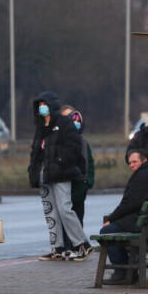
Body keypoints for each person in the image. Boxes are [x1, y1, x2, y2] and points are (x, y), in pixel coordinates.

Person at [28, 91, 88, 261]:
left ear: (52, 105)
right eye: (39, 106)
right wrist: (32, 169)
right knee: (50, 212)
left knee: (64, 208)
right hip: (44, 174)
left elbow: (74, 145)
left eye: (44, 105)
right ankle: (57, 247)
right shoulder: (40, 127)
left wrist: (61, 160)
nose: (42, 108)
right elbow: (35, 150)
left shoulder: (63, 123)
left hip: (61, 173)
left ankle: (81, 244)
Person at [99, 150, 148, 284]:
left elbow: (129, 203)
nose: (131, 165)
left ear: (144, 161)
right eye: (129, 163)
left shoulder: (143, 175)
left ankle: (122, 272)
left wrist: (111, 220)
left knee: (106, 231)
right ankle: (128, 272)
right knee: (114, 228)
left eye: (134, 162)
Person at [60, 105, 95, 260]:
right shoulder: (60, 141)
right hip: (66, 183)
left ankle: (78, 246)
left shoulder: (83, 142)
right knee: (64, 216)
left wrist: (89, 181)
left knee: (78, 216)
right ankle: (66, 246)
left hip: (80, 184)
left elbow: (90, 163)